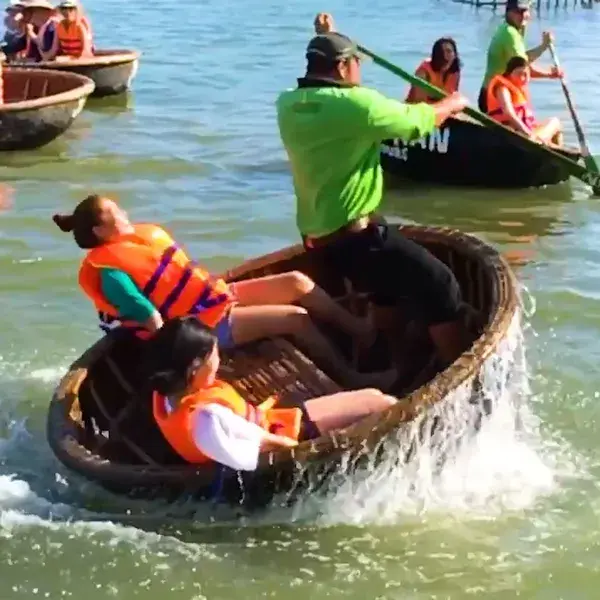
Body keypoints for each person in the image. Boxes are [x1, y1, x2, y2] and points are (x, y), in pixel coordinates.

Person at [275, 16, 473, 373]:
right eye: (356, 65)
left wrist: (326, 37)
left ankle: (387, 358)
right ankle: (462, 376)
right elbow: (415, 122)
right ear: (342, 67)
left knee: (388, 288)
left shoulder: (288, 105)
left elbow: (332, 101)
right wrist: (453, 103)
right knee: (441, 284)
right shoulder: (356, 106)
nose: (359, 73)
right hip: (354, 238)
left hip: (319, 239)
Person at [52, 194, 397, 390]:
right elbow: (149, 316)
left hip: (215, 299)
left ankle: (360, 332)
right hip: (204, 326)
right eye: (115, 213)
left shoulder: (137, 239)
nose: (125, 214)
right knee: (296, 318)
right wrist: (183, 356)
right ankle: (352, 377)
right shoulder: (108, 269)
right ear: (99, 230)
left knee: (296, 281)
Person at [145, 316, 398, 470]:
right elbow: (265, 444)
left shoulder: (165, 397)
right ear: (194, 367)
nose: (219, 362)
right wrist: (300, 449)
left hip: (272, 423)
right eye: (215, 355)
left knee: (370, 396)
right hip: (291, 435)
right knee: (382, 403)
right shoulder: (208, 416)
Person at [478, 0, 561, 113]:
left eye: (525, 11)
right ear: (508, 13)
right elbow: (523, 66)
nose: (522, 15)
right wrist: (544, 47)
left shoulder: (512, 30)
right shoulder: (509, 33)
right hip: (494, 96)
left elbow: (523, 64)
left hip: (498, 95)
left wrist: (550, 74)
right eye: (517, 12)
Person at [486, 56, 562, 145]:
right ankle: (550, 148)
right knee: (555, 122)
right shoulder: (502, 88)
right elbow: (508, 112)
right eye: (519, 74)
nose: (523, 78)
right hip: (513, 135)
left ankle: (557, 150)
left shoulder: (519, 89)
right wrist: (527, 134)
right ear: (509, 73)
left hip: (526, 134)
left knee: (553, 122)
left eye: (526, 74)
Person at [406, 37, 461, 104]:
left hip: (443, 109)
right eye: (440, 52)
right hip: (418, 110)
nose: (444, 55)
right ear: (434, 55)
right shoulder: (423, 72)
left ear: (455, 55)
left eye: (449, 51)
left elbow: (452, 96)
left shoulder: (455, 72)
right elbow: (419, 104)